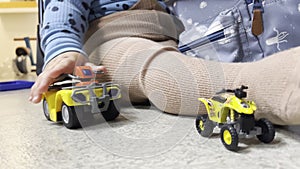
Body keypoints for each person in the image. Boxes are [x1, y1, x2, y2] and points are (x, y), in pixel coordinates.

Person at [29, 0, 300, 125]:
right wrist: (64, 53)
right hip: (114, 39)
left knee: (182, 62)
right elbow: (61, 16)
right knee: (163, 73)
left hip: (168, 38)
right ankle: (272, 87)